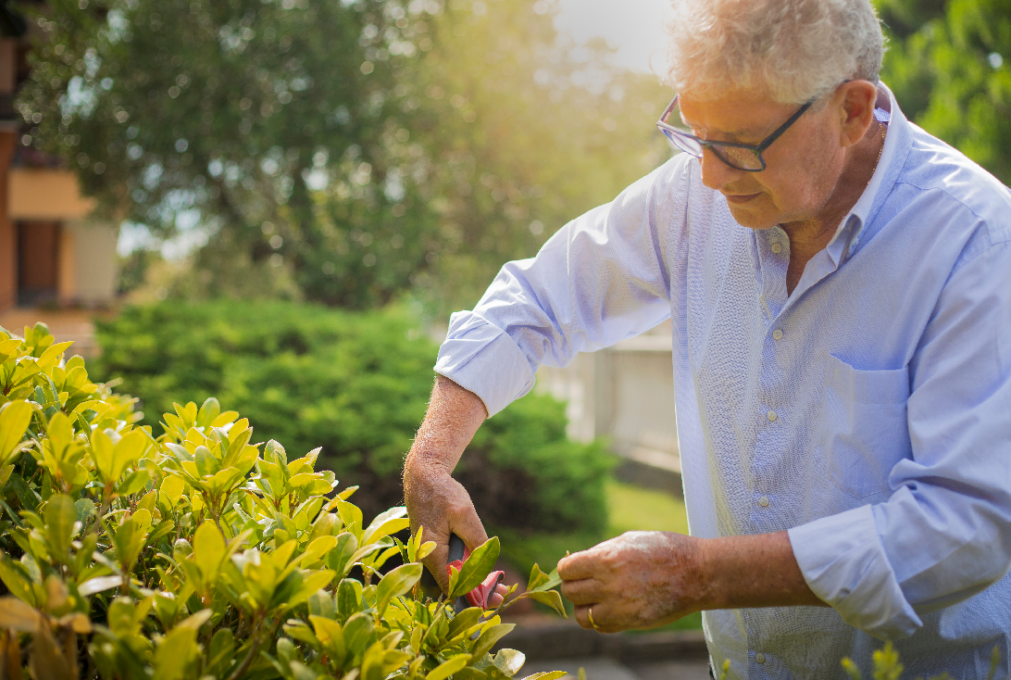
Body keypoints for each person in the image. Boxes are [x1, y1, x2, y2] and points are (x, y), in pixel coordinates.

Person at [402, 0, 1011, 676]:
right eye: (693, 132)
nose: (710, 176)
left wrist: (701, 575)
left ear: (852, 111)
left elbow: (966, 525)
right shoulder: (694, 193)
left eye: (741, 145)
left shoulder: (977, 243)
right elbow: (536, 298)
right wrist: (431, 461)